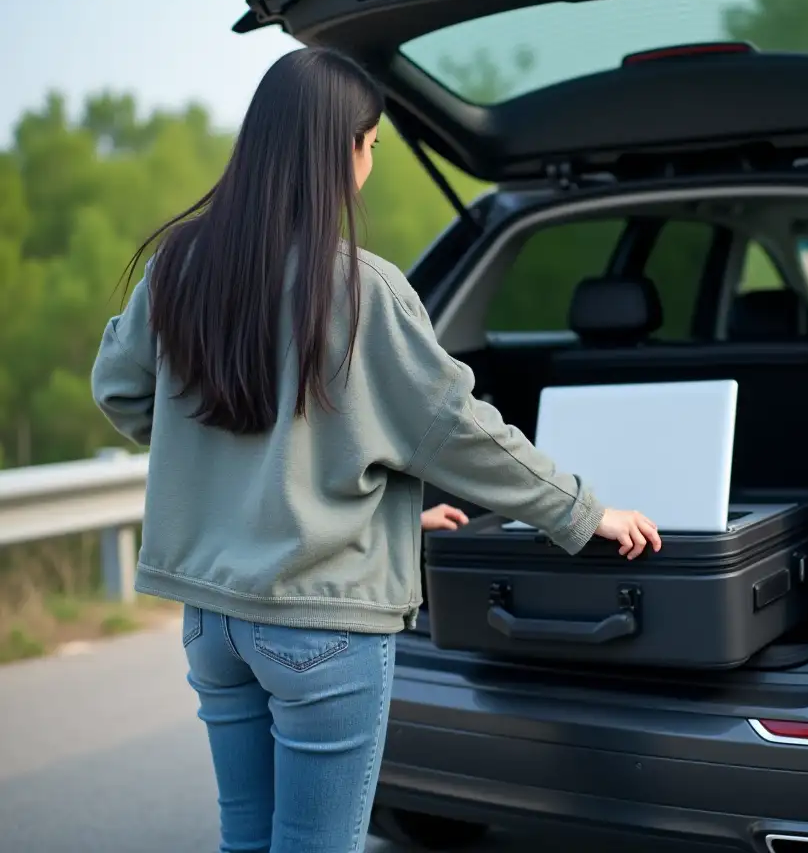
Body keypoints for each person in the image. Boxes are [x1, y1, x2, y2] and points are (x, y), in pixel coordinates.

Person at [90, 47, 661, 853]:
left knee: (245, 842)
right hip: (321, 628)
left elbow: (122, 394)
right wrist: (585, 511)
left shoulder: (177, 266)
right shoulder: (364, 288)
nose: (371, 161)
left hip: (212, 622)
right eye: (373, 143)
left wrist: (375, 525)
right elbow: (455, 432)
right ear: (340, 149)